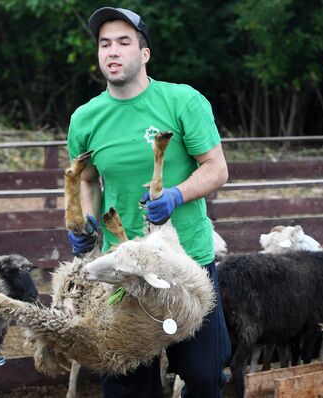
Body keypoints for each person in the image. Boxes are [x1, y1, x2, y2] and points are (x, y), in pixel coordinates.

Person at [66, 6, 231, 398]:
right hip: (122, 269)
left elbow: (216, 168)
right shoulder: (85, 119)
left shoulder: (182, 101)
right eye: (105, 44)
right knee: (127, 380)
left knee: (205, 376)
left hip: (185, 261)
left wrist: (176, 195)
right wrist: (85, 225)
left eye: (124, 42)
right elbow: (86, 180)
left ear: (144, 54)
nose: (113, 51)